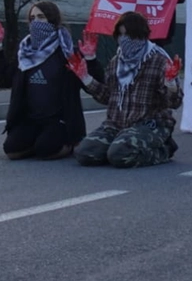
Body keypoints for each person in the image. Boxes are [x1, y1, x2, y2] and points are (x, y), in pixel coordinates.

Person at [0, 1, 104, 160]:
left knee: (47, 150)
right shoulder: (25, 53)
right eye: (32, 18)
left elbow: (96, 85)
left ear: (53, 20)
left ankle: (70, 143)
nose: (36, 22)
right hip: (31, 119)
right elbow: (4, 80)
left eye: (41, 17)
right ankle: (37, 141)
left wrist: (91, 59)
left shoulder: (67, 51)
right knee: (12, 150)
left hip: (59, 120)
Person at [68, 11, 183, 168]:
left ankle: (164, 149)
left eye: (130, 35)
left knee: (120, 155)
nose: (125, 40)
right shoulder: (116, 63)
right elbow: (107, 97)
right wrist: (86, 79)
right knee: (84, 153)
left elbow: (175, 102)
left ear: (142, 35)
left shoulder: (159, 61)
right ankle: (119, 145)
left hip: (149, 124)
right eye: (121, 35)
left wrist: (170, 84)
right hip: (117, 124)